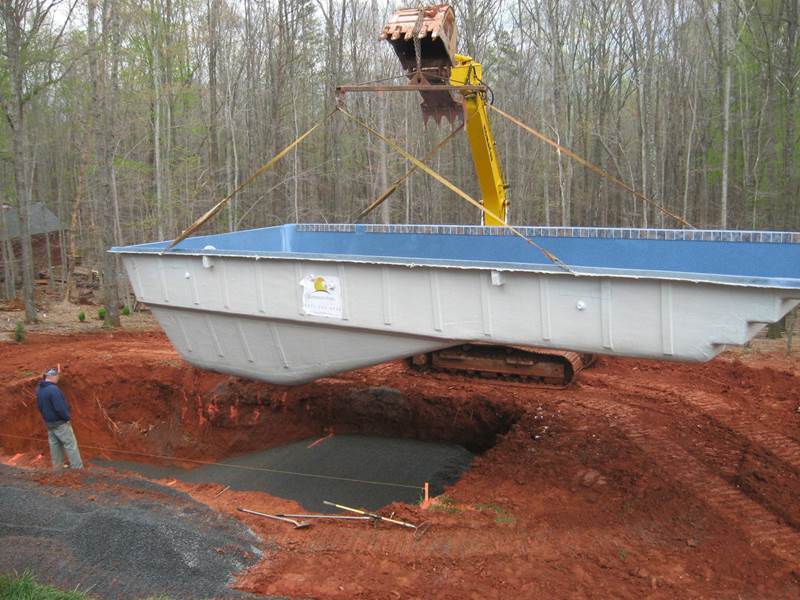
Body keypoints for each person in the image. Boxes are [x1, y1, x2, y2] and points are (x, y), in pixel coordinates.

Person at [36, 365, 83, 470]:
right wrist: (67, 417)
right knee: (70, 445)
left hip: (49, 423)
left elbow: (39, 407)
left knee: (55, 446)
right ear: (52, 377)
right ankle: (78, 469)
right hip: (60, 423)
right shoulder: (53, 389)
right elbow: (60, 407)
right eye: (57, 376)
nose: (58, 378)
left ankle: (58, 468)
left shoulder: (40, 390)